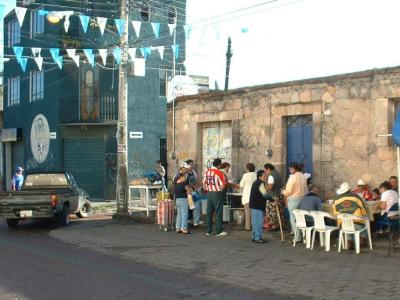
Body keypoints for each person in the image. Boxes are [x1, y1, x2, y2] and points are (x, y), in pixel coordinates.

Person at [332, 182, 368, 247]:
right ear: (350, 190)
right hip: (357, 225)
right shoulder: (357, 197)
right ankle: (362, 238)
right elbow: (364, 212)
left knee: (346, 223)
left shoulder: (336, 200)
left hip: (343, 225)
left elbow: (335, 214)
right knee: (365, 219)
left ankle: (349, 240)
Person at [282, 162, 308, 241]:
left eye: (290, 168)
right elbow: (306, 189)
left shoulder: (293, 177)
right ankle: (303, 236)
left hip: (294, 199)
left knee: (293, 219)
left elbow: (288, 190)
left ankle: (297, 237)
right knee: (301, 218)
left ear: (293, 168)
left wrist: (283, 192)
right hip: (303, 199)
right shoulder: (303, 176)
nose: (289, 170)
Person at [203, 158, 228, 237]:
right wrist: (220, 191)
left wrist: (208, 189)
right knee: (218, 212)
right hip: (217, 193)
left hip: (209, 193)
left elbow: (203, 184)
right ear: (219, 165)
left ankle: (208, 230)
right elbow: (223, 185)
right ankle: (218, 230)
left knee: (209, 211)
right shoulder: (219, 173)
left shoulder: (207, 172)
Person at [249, 170, 272, 243]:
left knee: (255, 222)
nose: (265, 176)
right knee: (258, 222)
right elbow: (264, 194)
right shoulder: (260, 183)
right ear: (260, 176)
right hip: (257, 205)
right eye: (264, 175)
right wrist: (272, 200)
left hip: (254, 205)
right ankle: (257, 238)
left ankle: (254, 236)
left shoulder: (256, 182)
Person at [185, 159, 203, 227]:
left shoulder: (193, 172)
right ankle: (188, 220)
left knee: (196, 205)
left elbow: (197, 180)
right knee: (189, 206)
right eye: (191, 164)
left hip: (194, 191)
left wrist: (198, 187)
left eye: (192, 165)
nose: (192, 166)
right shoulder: (185, 173)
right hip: (188, 192)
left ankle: (196, 221)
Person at [239, 163, 257, 231]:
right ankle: (254, 225)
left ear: (247, 169)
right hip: (255, 196)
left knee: (247, 213)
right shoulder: (256, 175)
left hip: (247, 196)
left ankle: (248, 226)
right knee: (254, 213)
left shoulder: (245, 175)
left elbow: (241, 185)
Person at [173, 169, 192, 234]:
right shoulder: (184, 184)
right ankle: (184, 228)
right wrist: (190, 190)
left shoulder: (175, 184)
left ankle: (178, 228)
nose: (185, 178)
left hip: (177, 200)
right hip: (183, 200)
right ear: (181, 177)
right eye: (184, 176)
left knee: (179, 214)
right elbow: (189, 192)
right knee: (184, 214)